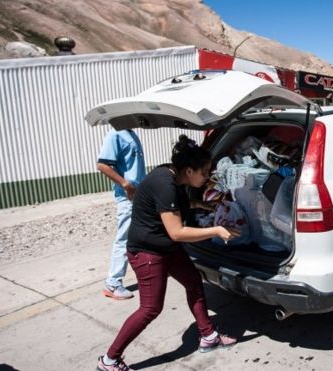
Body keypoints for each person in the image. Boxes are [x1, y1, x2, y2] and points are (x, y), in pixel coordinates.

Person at [96, 135, 241, 371]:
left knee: (194, 281)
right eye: (204, 172)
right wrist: (217, 230)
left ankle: (208, 335)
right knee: (150, 309)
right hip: (148, 253)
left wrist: (201, 206)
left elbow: (173, 206)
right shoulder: (166, 184)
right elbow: (176, 231)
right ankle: (110, 360)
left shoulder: (171, 175)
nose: (207, 177)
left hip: (165, 248)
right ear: (190, 170)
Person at [97, 129, 146, 300]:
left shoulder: (131, 134)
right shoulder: (115, 135)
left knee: (139, 236)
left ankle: (149, 270)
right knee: (124, 239)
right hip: (127, 198)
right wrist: (125, 183)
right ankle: (112, 282)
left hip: (138, 195)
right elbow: (102, 165)